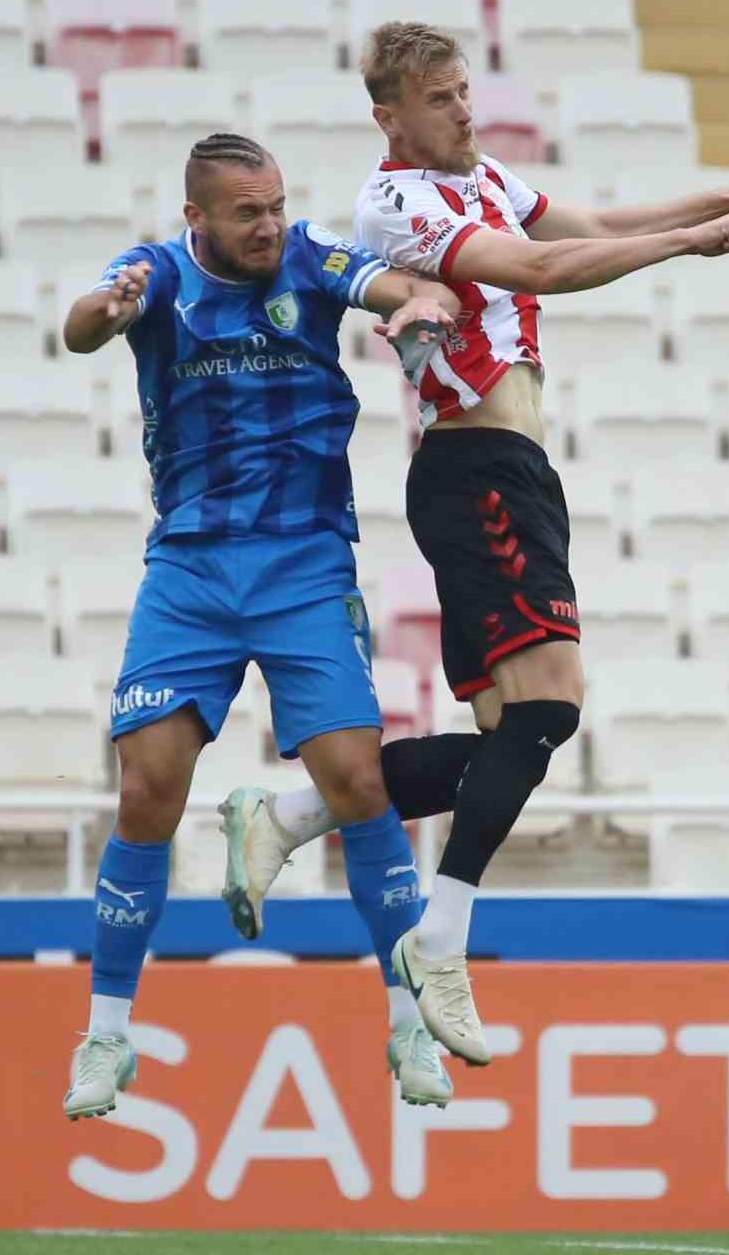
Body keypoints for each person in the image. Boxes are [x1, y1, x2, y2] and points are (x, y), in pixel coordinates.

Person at [219, 23, 729, 1068]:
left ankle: (285, 814)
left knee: (512, 736)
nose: (464, 109)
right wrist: (688, 245)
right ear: (391, 118)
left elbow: (591, 220)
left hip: (512, 472)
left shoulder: (483, 175)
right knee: (548, 709)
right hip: (475, 468)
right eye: (442, 98)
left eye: (464, 90)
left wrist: (726, 197)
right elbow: (544, 263)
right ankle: (440, 935)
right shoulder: (396, 204)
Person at [59, 131, 462, 1120]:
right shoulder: (153, 273)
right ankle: (107, 1036)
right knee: (148, 787)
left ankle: (410, 1022)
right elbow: (81, 325)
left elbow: (385, 285)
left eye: (276, 204)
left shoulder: (311, 259)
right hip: (191, 566)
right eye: (249, 212)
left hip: (303, 562)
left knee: (359, 781)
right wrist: (101, 314)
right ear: (197, 215)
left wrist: (413, 302)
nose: (269, 225)